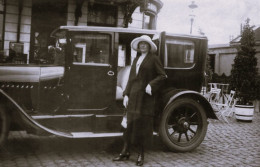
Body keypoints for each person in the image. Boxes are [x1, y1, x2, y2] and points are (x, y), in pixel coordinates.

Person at [113, 35, 167, 166]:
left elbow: (162, 75)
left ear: (149, 46)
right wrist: (126, 94)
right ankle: (125, 152)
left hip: (145, 98)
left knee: (142, 126)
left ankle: (141, 155)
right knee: (128, 124)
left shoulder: (153, 59)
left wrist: (151, 85)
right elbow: (132, 79)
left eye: (145, 44)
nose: (142, 46)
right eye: (141, 44)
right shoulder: (136, 59)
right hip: (133, 96)